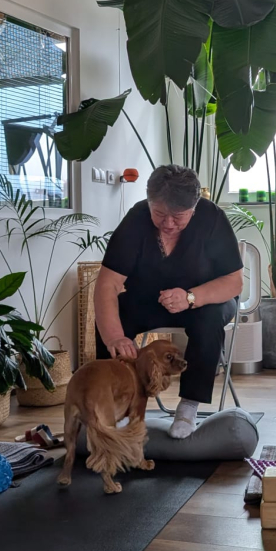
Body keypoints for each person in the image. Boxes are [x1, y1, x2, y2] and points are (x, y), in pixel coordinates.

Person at [94, 165, 243, 438]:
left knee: (209, 319)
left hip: (205, 301)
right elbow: (108, 283)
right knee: (116, 315)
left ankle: (188, 407)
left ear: (194, 208)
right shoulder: (137, 219)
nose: (169, 223)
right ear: (149, 202)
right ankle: (114, 401)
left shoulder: (212, 219)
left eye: (178, 216)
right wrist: (115, 336)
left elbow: (234, 281)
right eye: (160, 214)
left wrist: (190, 297)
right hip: (150, 301)